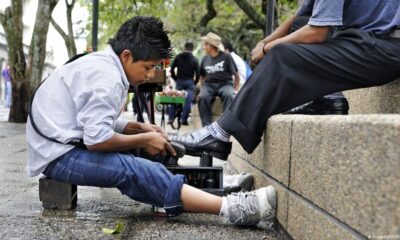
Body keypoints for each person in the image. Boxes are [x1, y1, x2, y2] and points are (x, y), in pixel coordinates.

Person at [26, 16, 276, 226]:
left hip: (66, 141)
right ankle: (231, 209)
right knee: (132, 169)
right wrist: (144, 139)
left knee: (154, 145)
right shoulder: (107, 78)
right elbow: (96, 139)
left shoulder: (105, 66)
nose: (148, 76)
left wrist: (138, 128)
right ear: (126, 55)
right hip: (58, 156)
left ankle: (207, 184)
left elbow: (92, 121)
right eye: (147, 67)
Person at [172, 0, 400, 160]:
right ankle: (327, 99)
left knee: (282, 56)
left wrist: (270, 49)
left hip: (386, 49)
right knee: (298, 27)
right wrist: (262, 44)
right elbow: (299, 20)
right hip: (365, 42)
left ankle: (219, 134)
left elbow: (317, 33)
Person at [198, 32, 240, 127]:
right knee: (202, 96)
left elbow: (236, 74)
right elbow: (202, 76)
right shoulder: (205, 59)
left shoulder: (226, 57)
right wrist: (202, 88)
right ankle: (206, 127)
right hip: (209, 85)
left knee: (229, 95)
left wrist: (236, 89)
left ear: (211, 46)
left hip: (225, 84)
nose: (203, 47)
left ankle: (225, 125)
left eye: (205, 44)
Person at [168, 41, 200, 125]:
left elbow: (171, 70)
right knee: (188, 101)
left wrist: (176, 79)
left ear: (184, 48)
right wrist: (194, 82)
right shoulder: (195, 59)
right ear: (192, 49)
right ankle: (183, 119)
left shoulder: (178, 57)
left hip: (180, 81)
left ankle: (171, 118)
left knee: (175, 98)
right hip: (190, 82)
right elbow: (198, 74)